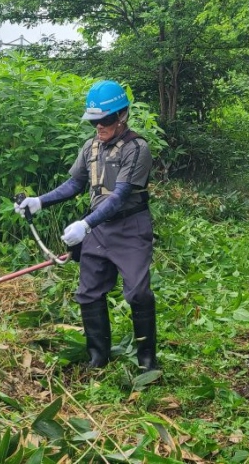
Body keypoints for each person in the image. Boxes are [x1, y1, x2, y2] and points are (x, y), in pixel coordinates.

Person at [14, 80, 158, 372]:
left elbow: (120, 196)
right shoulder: (91, 146)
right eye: (94, 121)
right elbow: (76, 183)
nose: (99, 127)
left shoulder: (137, 148)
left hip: (130, 226)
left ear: (122, 116)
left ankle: (147, 360)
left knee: (138, 293)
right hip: (98, 230)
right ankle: (98, 357)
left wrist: (85, 224)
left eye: (104, 120)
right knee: (89, 291)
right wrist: (40, 201)